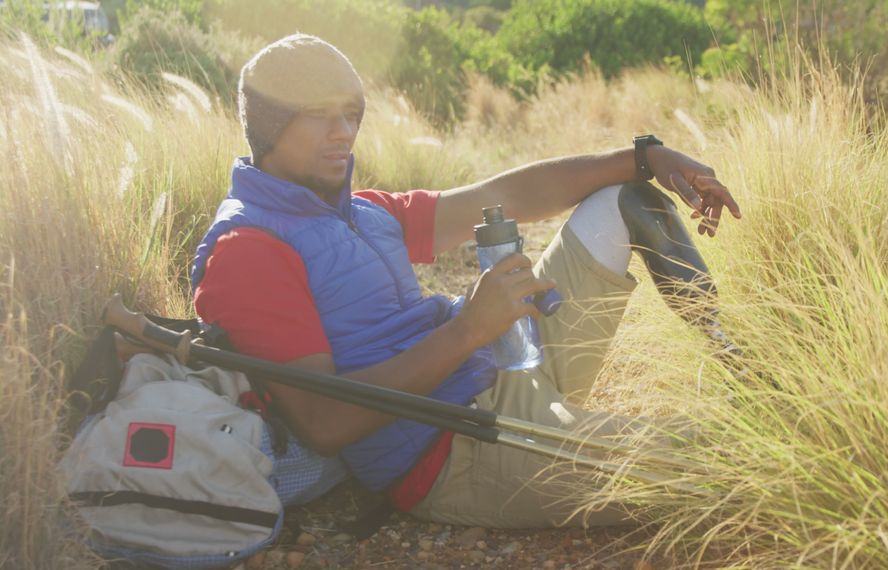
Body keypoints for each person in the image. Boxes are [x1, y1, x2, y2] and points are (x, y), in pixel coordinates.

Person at [191, 34, 741, 528]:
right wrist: (468, 330)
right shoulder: (248, 250)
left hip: (507, 361)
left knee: (624, 197)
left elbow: (506, 195)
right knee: (725, 460)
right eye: (319, 115)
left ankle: (737, 356)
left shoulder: (362, 210)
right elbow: (325, 421)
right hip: (455, 448)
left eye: (351, 113)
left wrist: (646, 157)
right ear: (269, 122)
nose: (345, 133)